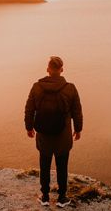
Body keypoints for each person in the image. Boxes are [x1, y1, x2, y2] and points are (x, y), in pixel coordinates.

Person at [24, 56, 83, 208]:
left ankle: (44, 196)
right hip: (63, 137)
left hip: (44, 136)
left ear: (48, 69)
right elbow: (77, 111)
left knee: (44, 166)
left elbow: (29, 109)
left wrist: (29, 127)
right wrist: (78, 129)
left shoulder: (37, 87)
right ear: (61, 70)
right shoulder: (70, 88)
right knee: (62, 167)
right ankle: (62, 198)